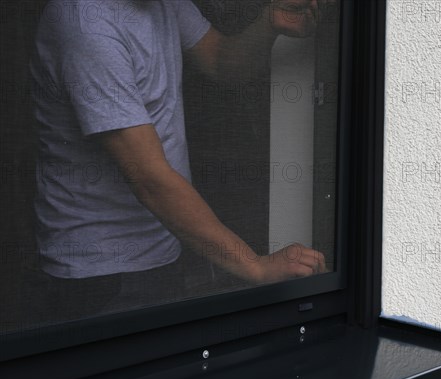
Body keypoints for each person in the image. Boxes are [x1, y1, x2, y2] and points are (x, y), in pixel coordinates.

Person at [27, 0, 327, 322]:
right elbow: (148, 178)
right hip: (100, 270)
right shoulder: (85, 25)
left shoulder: (164, 3)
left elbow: (221, 61)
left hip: (163, 246)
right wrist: (254, 266)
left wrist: (268, 25)